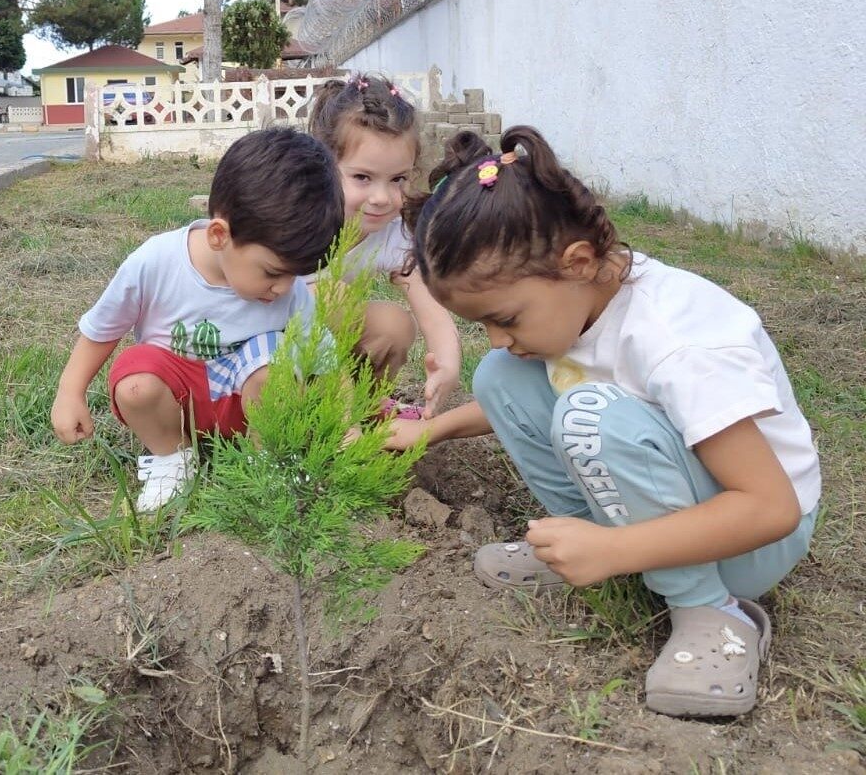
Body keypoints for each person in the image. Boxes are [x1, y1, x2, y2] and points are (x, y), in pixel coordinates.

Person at [391, 125, 819, 718]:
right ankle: (584, 542)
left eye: (506, 317)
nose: (498, 337)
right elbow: (505, 395)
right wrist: (429, 429)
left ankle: (711, 612)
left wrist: (617, 550)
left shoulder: (677, 344)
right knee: (500, 378)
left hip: (752, 542)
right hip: (686, 503)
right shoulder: (581, 299)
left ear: (578, 262)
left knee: (590, 413)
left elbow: (772, 509)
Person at [50, 127, 344, 513]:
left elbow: (321, 361)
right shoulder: (155, 262)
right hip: (178, 400)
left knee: (282, 362)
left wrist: (344, 422)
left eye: (295, 275)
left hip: (246, 407)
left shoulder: (290, 292)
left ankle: (266, 459)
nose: (283, 288)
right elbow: (102, 329)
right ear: (220, 236)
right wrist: (70, 392)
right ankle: (173, 457)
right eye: (273, 272)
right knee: (135, 377)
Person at [307, 74, 462, 418]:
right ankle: (323, 412)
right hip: (268, 350)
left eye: (398, 179)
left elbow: (431, 309)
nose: (381, 198)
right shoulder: (298, 217)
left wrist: (447, 363)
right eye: (362, 177)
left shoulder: (394, 232)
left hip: (328, 342)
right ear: (323, 166)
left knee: (395, 326)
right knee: (332, 298)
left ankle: (365, 409)